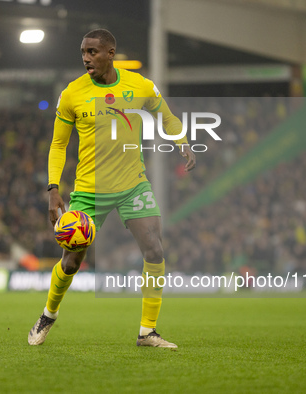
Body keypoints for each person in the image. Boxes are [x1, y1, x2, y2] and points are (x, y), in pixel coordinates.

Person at [28, 29, 196, 348]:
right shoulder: (72, 94)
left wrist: (183, 142)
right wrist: (52, 189)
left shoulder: (140, 86)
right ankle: (49, 313)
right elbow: (58, 144)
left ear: (110, 53)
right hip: (89, 190)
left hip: (133, 184)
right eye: (83, 51)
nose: (86, 58)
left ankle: (148, 331)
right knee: (71, 262)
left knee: (155, 250)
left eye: (92, 51)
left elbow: (168, 117)